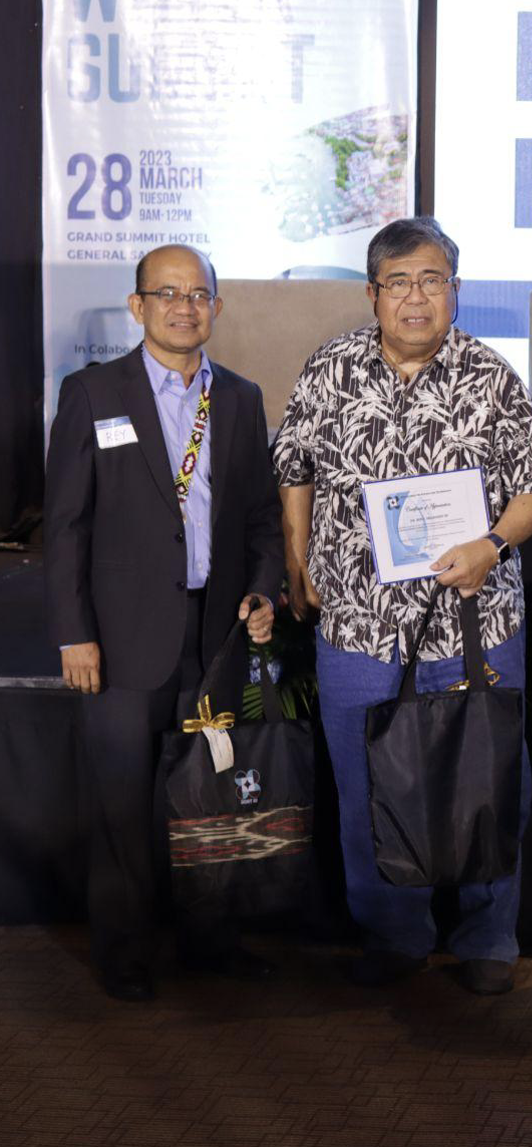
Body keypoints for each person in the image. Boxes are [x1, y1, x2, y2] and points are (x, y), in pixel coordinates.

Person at [273, 217, 532, 996]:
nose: (416, 297)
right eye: (398, 282)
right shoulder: (329, 371)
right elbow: (293, 465)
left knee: (489, 781)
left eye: (432, 280)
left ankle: (487, 938)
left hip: (477, 625)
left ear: (456, 291)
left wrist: (493, 546)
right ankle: (394, 933)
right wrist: (297, 557)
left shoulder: (492, 376)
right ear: (372, 294)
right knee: (368, 787)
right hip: (360, 627)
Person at [45, 244, 284, 1001]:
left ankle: (211, 941)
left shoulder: (241, 398)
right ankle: (125, 956)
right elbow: (67, 525)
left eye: (199, 294)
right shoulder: (91, 392)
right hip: (116, 638)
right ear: (137, 305)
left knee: (209, 793)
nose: (185, 306)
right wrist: (72, 632)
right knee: (122, 803)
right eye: (168, 293)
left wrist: (264, 591)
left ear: (217, 305)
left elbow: (259, 520)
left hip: (214, 633)